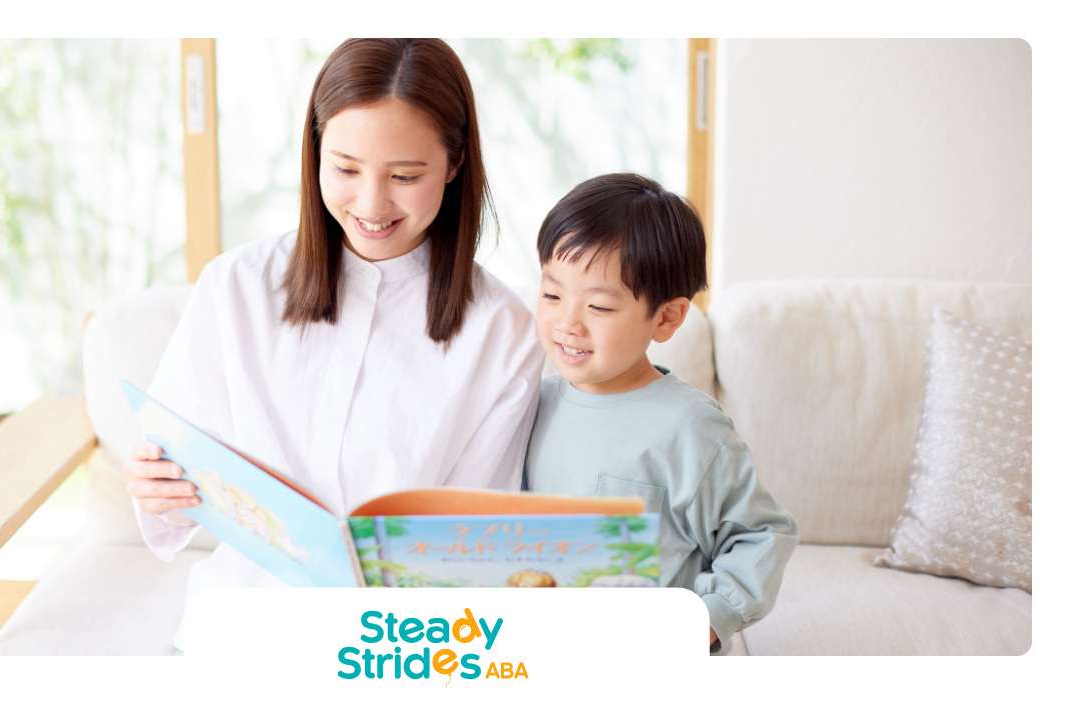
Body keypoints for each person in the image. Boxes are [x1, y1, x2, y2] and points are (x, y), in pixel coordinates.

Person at [123, 39, 545, 651]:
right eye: (345, 169)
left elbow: (472, 537)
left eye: (405, 175)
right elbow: (177, 482)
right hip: (244, 633)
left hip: (400, 646)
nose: (371, 205)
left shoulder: (503, 332)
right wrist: (158, 490)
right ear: (315, 150)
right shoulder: (235, 287)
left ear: (454, 164)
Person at [522, 173, 799, 656]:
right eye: (552, 295)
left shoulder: (689, 427)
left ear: (666, 318)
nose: (567, 322)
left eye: (599, 305)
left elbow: (762, 534)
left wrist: (706, 620)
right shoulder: (530, 403)